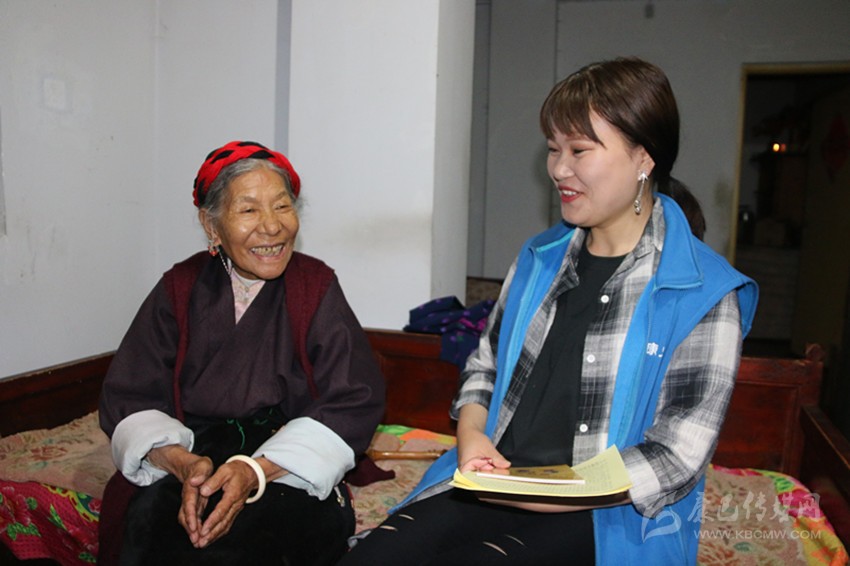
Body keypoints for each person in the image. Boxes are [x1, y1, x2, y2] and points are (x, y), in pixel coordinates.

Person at [339, 57, 758, 565]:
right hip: (494, 481)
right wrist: (472, 437)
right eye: (554, 149)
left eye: (579, 150)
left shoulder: (704, 291)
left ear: (643, 158)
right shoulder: (540, 258)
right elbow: (485, 366)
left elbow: (675, 456)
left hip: (607, 513)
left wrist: (551, 493)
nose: (559, 169)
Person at [98, 140, 385, 565]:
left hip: (285, 461)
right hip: (193, 453)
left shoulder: (314, 285)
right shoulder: (180, 286)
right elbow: (131, 393)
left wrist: (256, 470)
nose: (272, 227)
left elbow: (354, 397)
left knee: (260, 542)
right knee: (153, 528)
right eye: (249, 210)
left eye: (282, 206)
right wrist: (182, 464)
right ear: (211, 225)